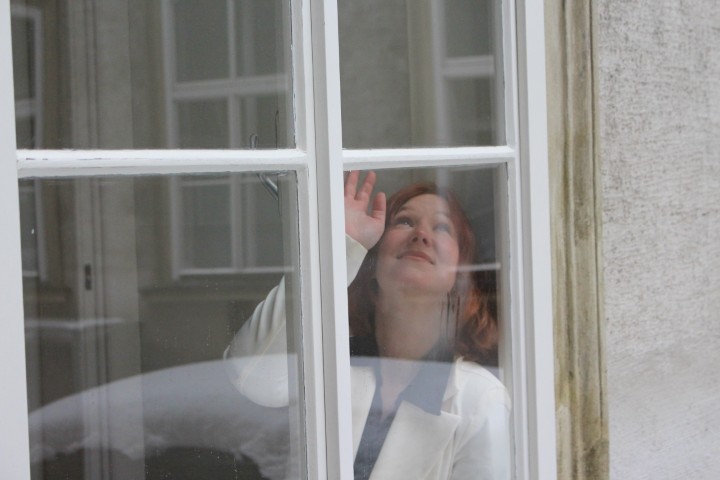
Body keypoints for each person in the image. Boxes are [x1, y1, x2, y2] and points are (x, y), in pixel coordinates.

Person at [225, 171, 511, 480]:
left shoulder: (479, 398)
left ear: (459, 274)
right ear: (371, 263)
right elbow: (253, 378)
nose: (421, 235)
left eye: (442, 227)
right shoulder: (327, 363)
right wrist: (340, 247)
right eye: (404, 221)